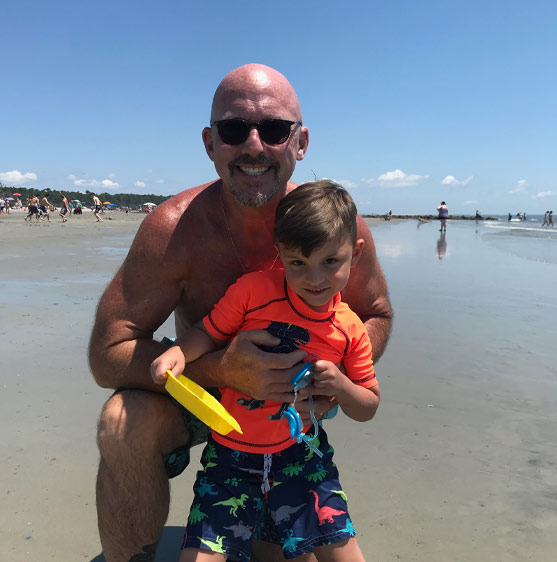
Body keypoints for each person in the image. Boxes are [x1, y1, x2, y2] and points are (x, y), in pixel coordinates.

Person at [89, 63, 393, 562]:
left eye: (274, 129)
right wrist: (222, 369)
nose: (254, 145)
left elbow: (376, 314)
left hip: (292, 412)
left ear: (301, 142)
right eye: (234, 130)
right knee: (123, 420)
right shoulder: (173, 230)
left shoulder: (335, 228)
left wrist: (330, 378)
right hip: (200, 396)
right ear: (210, 143)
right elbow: (107, 354)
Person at [151, 181, 379, 562]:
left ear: (354, 254)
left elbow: (368, 405)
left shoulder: (350, 328)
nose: (315, 279)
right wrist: (178, 353)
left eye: (330, 261)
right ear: (280, 254)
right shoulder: (253, 291)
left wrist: (340, 385)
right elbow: (208, 332)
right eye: (298, 264)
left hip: (303, 458)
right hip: (229, 457)